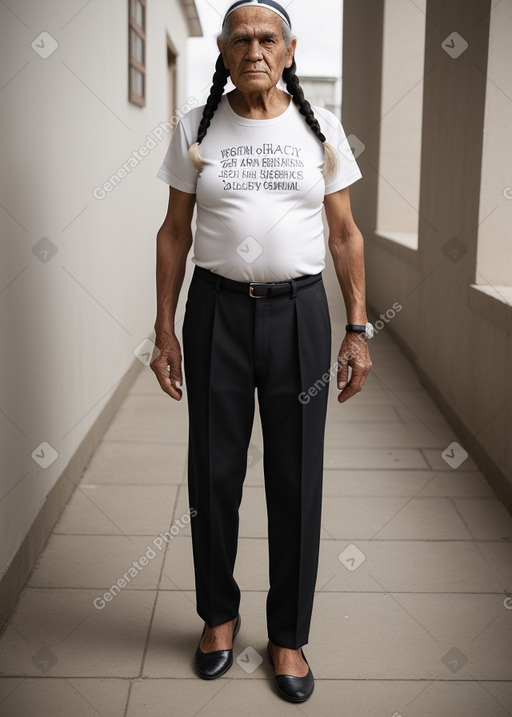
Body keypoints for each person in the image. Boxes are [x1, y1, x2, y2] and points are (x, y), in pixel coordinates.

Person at [152, 0, 373, 703]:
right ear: (222, 50)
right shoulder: (196, 128)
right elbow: (173, 233)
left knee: (295, 478)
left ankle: (289, 634)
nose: (253, 48)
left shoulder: (321, 128)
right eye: (240, 37)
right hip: (216, 312)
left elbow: (345, 235)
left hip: (301, 315)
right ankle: (218, 617)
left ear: (289, 49)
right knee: (213, 474)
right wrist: (163, 327)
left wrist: (358, 327)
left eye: (266, 38)